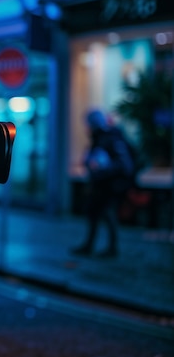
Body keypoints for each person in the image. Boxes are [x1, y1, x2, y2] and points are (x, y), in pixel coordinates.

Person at [71, 109, 136, 258]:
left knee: (107, 213)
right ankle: (90, 245)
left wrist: (103, 169)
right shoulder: (99, 138)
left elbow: (123, 164)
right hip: (100, 184)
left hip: (109, 185)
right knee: (94, 213)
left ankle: (110, 248)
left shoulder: (111, 138)